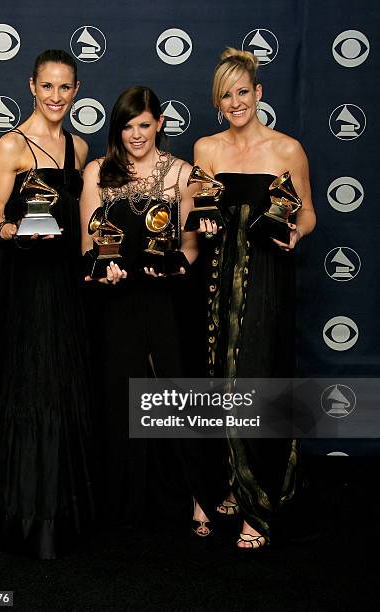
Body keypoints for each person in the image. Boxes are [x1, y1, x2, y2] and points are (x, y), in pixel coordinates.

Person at [0, 49, 94, 559]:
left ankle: (52, 513)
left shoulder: (78, 148)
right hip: (22, 282)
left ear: (76, 91)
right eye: (47, 86)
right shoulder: (9, 144)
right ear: (32, 86)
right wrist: (11, 229)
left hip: (63, 283)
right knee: (25, 388)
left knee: (58, 388)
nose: (56, 97)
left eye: (65, 87)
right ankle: (16, 515)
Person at [80, 86, 223, 533]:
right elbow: (89, 241)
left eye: (144, 124)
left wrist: (178, 267)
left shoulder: (181, 173)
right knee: (119, 393)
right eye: (127, 126)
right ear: (117, 128)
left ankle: (201, 496)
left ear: (159, 123)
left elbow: (190, 244)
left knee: (175, 391)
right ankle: (122, 502)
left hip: (166, 296)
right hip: (115, 300)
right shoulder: (97, 172)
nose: (136, 134)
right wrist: (102, 269)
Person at [194, 48, 316, 549]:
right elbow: (201, 210)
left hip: (267, 276)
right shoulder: (206, 148)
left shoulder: (288, 150)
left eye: (243, 91)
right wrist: (200, 222)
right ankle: (226, 484)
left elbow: (306, 214)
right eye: (227, 94)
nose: (236, 101)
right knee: (218, 380)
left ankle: (259, 502)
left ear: (259, 93)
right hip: (218, 276)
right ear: (218, 101)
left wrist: (295, 236)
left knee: (260, 376)